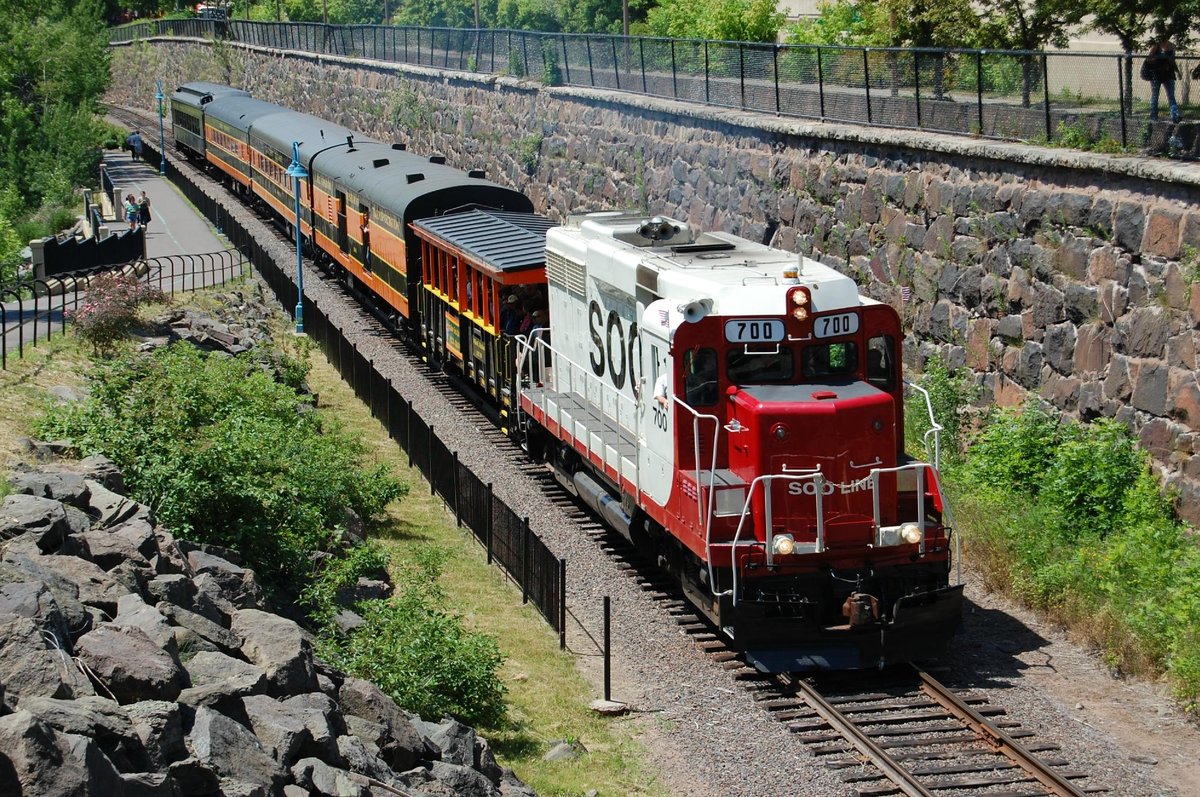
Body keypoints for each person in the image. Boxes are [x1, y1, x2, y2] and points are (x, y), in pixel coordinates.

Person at [1146, 34, 1182, 123]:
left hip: (1168, 74)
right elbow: (1149, 59)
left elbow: (1173, 61)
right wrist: (1158, 59)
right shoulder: (1156, 46)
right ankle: (1154, 117)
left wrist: (1177, 72)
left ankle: (1175, 116)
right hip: (1156, 74)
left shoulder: (1172, 46)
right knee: (1155, 96)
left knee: (1171, 96)